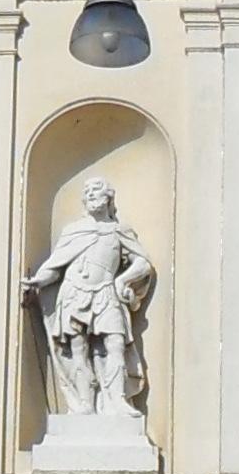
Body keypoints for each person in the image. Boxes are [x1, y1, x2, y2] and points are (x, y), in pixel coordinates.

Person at [21, 177, 156, 418]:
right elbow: (55, 266)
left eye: (97, 193)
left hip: (105, 292)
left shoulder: (119, 231)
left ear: (108, 199)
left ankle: (118, 400)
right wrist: (38, 282)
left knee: (116, 342)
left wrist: (122, 280)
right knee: (77, 347)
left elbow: (142, 263)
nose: (92, 197)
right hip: (74, 292)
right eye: (88, 194)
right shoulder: (74, 231)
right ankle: (84, 403)